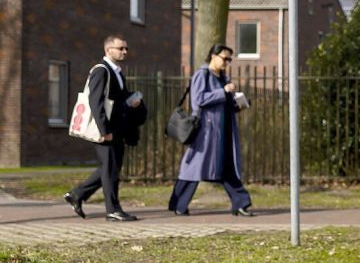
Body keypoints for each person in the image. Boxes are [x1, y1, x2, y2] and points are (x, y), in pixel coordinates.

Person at [65, 35, 147, 222]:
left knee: (110, 168)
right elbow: (95, 101)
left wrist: (132, 100)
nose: (125, 51)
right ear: (108, 50)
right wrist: (104, 131)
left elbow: (117, 99)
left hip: (117, 129)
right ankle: (113, 210)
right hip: (107, 131)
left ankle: (77, 195)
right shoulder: (101, 71)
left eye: (126, 48)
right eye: (121, 48)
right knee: (110, 170)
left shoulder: (116, 72)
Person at [167, 45, 253, 217]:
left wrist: (239, 104)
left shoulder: (223, 78)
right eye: (224, 58)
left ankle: (241, 204)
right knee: (193, 166)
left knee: (228, 167)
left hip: (224, 130)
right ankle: (179, 204)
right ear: (213, 56)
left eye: (229, 59)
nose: (227, 62)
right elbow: (198, 99)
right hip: (206, 131)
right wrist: (223, 92)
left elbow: (224, 106)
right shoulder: (202, 75)